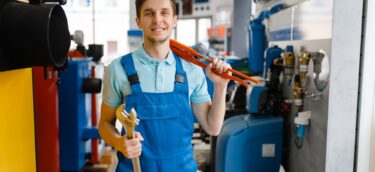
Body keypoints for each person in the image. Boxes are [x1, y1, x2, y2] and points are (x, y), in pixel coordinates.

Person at [98, 0, 231, 171]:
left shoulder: (192, 69)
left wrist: (220, 86)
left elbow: (212, 127)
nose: (157, 20)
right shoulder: (118, 69)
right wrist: (119, 142)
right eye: (149, 13)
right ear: (138, 21)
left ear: (174, 19)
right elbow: (105, 124)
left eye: (164, 12)